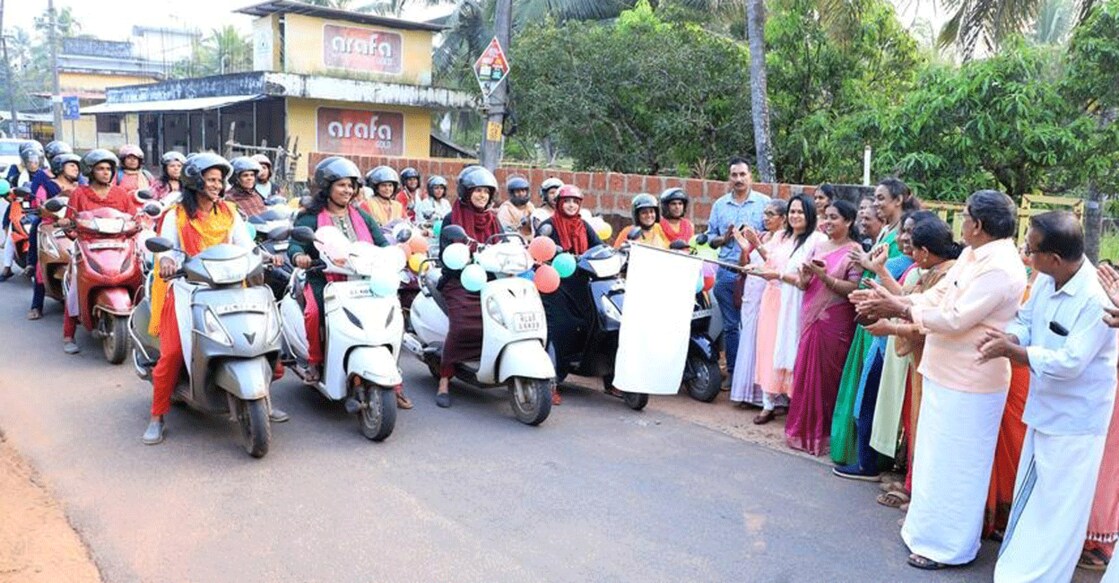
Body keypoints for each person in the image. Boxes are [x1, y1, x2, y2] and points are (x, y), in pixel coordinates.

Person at [853, 189, 1027, 570]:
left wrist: (897, 307)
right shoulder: (971, 255)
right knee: (934, 459)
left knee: (958, 467)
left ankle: (949, 547)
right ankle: (925, 532)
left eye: (964, 216)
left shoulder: (1000, 266)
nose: (959, 224)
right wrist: (903, 303)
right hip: (944, 372)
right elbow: (939, 299)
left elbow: (954, 319)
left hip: (972, 381)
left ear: (978, 225)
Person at [978, 212, 1118, 581]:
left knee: (1060, 509)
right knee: (1034, 498)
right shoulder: (1045, 278)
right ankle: (1019, 571)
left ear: (1054, 258)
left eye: (1031, 249)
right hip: (1044, 410)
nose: (1026, 254)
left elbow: (1071, 363)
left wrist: (1014, 354)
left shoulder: (1095, 296)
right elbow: (1025, 320)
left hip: (1076, 421)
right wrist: (1010, 338)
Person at [142, 153, 287, 445]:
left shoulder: (230, 212)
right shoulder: (176, 214)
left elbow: (245, 246)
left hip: (231, 285)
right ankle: (157, 416)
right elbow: (164, 250)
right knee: (170, 355)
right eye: (211, 180)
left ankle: (261, 397)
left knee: (259, 339)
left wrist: (264, 255)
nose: (217, 186)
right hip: (187, 289)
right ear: (195, 181)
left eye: (220, 180)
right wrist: (168, 261)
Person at [287, 157, 410, 409]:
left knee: (391, 318)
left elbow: (382, 243)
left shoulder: (362, 216)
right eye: (341, 185)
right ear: (327, 187)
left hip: (365, 279)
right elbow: (295, 244)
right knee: (314, 312)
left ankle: (392, 381)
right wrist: (299, 256)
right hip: (324, 278)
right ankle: (314, 361)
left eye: (351, 186)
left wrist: (393, 255)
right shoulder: (310, 217)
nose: (348, 191)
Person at [872, 216, 961, 507]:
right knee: (915, 422)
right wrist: (880, 274)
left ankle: (922, 490)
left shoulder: (948, 276)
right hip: (920, 361)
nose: (905, 242)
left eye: (911, 239)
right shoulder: (932, 271)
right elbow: (908, 300)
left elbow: (928, 321)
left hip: (935, 362)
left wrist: (891, 327)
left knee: (926, 425)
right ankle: (914, 482)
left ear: (924, 251)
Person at [830, 178, 914, 467]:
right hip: (872, 318)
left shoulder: (900, 235)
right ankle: (861, 455)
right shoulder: (888, 232)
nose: (877, 203)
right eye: (874, 198)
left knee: (875, 395)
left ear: (900, 199)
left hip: (888, 321)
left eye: (881, 198)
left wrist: (868, 266)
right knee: (865, 392)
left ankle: (871, 462)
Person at [784, 199, 862, 454]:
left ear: (848, 221)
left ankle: (824, 435)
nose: (827, 222)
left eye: (834, 218)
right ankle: (801, 431)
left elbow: (853, 289)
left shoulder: (854, 251)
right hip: (810, 317)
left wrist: (823, 277)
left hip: (834, 321)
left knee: (828, 378)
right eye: (825, 217)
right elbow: (804, 284)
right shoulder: (818, 245)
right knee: (806, 373)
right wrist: (806, 277)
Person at [434, 166, 502, 408]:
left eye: (486, 192)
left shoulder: (494, 219)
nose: (482, 195)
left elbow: (503, 245)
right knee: (463, 323)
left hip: (491, 279)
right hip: (459, 279)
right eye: (477, 191)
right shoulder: (451, 218)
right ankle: (444, 378)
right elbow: (446, 256)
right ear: (466, 192)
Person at [60, 149, 140, 355]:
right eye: (100, 169)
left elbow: (133, 217)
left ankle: (146, 324)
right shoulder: (79, 193)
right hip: (88, 243)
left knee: (143, 273)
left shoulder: (120, 193)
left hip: (119, 244)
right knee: (76, 286)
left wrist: (138, 223)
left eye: (108, 169)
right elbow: (70, 219)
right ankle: (69, 333)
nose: (105, 173)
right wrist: (66, 223)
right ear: (90, 171)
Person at [705, 157, 771, 388]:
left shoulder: (764, 203)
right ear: (729, 178)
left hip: (756, 273)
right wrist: (723, 239)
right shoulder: (720, 205)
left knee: (758, 325)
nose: (739, 179)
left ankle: (758, 378)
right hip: (727, 272)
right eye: (734, 175)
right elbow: (710, 239)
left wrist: (755, 240)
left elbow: (775, 236)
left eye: (743, 174)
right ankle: (734, 374)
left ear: (750, 176)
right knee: (732, 326)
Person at [538, 185, 604, 405]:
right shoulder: (548, 226)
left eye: (576, 202)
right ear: (558, 203)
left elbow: (600, 248)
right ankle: (551, 382)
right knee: (561, 329)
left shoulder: (584, 225)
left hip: (582, 285)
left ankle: (609, 378)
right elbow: (540, 251)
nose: (571, 205)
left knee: (600, 323)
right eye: (567, 201)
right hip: (554, 288)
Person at [729, 199, 786, 408]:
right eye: (765, 213)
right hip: (751, 293)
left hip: (768, 294)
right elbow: (744, 265)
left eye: (771, 214)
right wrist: (745, 247)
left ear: (783, 218)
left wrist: (757, 243)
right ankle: (747, 392)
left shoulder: (784, 239)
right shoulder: (762, 236)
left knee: (764, 342)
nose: (766, 218)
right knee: (749, 338)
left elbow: (776, 264)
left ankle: (768, 396)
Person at [26, 153, 82, 320]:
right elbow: (41, 206)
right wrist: (56, 210)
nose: (76, 168)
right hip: (52, 226)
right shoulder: (49, 185)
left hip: (77, 226)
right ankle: (36, 305)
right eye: (71, 165)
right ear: (60, 168)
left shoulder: (82, 186)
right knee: (41, 266)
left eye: (77, 166)